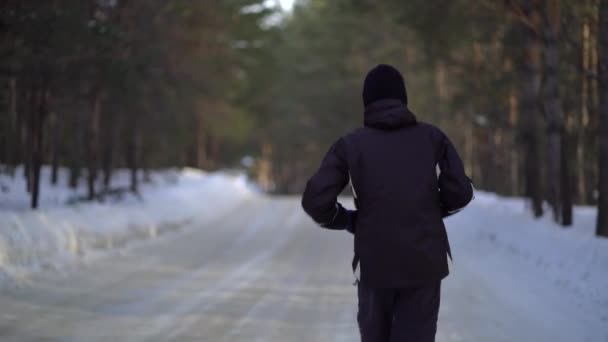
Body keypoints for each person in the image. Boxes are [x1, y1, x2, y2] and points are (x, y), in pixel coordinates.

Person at [301, 64, 474, 342]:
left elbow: (315, 200)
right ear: (403, 99)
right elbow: (461, 192)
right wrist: (431, 210)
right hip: (424, 266)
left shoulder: (350, 144)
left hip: (374, 265)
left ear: (367, 103)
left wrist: (347, 220)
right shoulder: (432, 137)